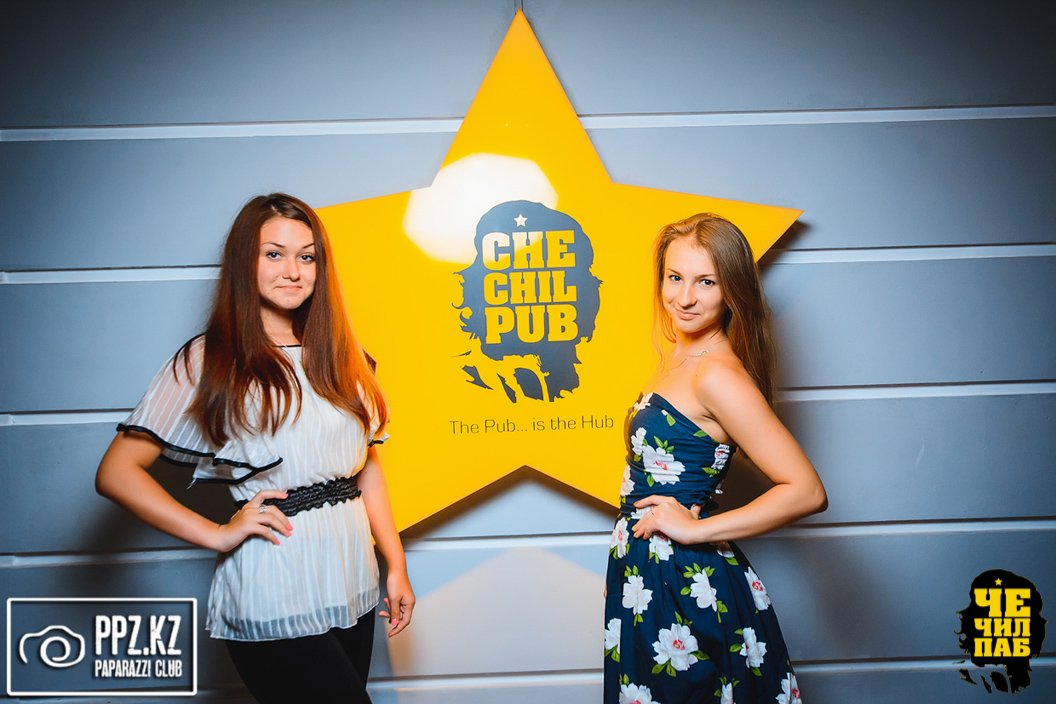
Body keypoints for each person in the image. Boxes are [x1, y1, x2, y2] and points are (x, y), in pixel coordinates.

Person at [96, 193, 413, 703]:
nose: (293, 271)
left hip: (351, 576)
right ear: (246, 262)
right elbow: (116, 472)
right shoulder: (210, 359)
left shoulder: (342, 355)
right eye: (274, 254)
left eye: (307, 256)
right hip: (274, 580)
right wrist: (217, 534)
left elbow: (364, 466)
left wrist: (395, 564)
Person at [604, 213, 827, 704]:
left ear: (732, 291)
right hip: (649, 576)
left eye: (706, 282)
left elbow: (807, 491)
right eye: (674, 277)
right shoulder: (679, 357)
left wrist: (695, 530)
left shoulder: (717, 376)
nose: (685, 298)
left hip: (687, 581)